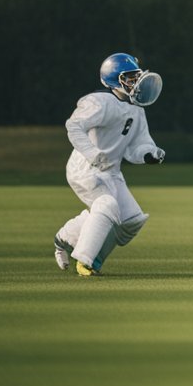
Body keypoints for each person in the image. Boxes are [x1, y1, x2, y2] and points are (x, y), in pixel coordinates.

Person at [53, 53, 165, 276]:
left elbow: (136, 146)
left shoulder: (137, 108)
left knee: (132, 220)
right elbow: (73, 126)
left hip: (112, 172)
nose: (137, 82)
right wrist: (93, 154)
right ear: (115, 80)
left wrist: (149, 154)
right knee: (107, 206)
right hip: (85, 169)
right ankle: (84, 260)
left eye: (137, 77)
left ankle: (68, 238)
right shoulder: (99, 102)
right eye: (131, 78)